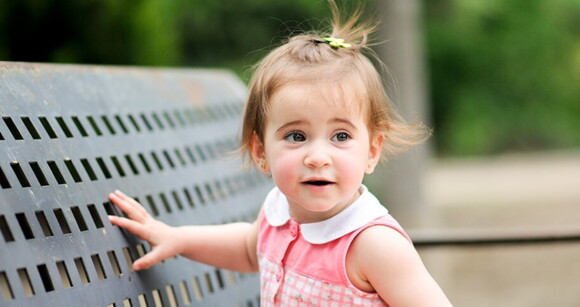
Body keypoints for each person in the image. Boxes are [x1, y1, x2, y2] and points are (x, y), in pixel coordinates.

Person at [108, 1, 452, 305]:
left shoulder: (373, 244)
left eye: (341, 135)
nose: (318, 156)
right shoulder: (277, 211)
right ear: (261, 152)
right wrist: (177, 238)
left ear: (371, 152)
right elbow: (247, 247)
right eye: (297, 135)